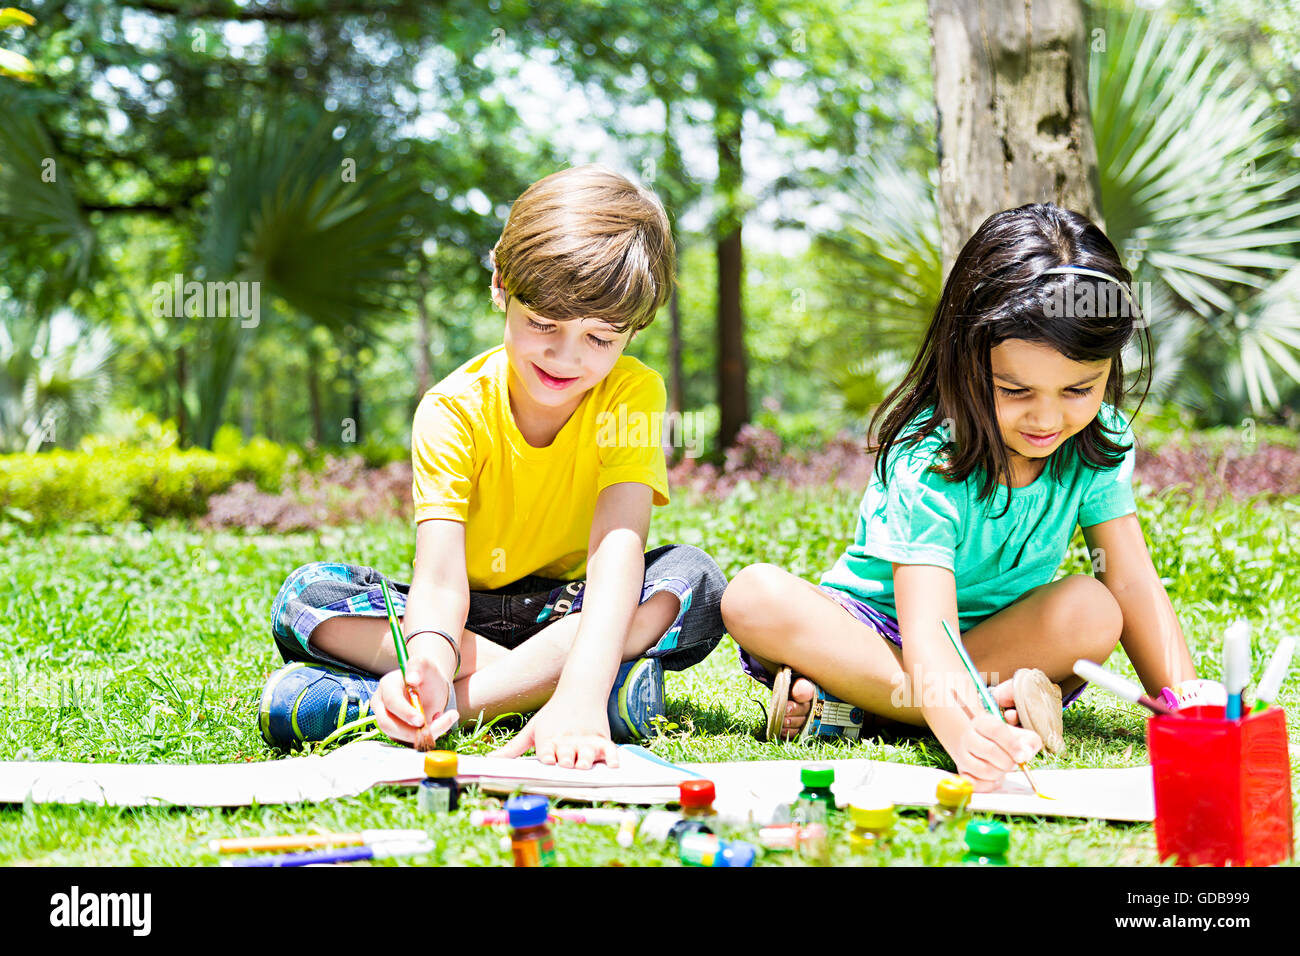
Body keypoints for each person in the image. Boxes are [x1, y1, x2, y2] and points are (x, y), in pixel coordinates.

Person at [259, 165, 727, 769]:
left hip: (571, 608)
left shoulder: (632, 394)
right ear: (502, 286)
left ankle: (450, 706)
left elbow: (618, 548)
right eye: (543, 324)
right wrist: (427, 656)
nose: (566, 356)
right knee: (307, 598)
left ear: (632, 331)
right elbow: (439, 582)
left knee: (693, 578)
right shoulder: (451, 410)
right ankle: (582, 693)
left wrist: (576, 693)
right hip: (467, 621)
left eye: (601, 338)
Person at [722, 202, 1202, 791]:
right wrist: (966, 731)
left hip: (1003, 638)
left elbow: (1130, 581)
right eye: (1015, 390)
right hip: (877, 630)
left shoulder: (1100, 438)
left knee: (1096, 607)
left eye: (1079, 388)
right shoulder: (931, 458)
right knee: (752, 596)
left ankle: (854, 705)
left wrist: (1190, 705)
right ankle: (979, 706)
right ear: (967, 359)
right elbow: (928, 629)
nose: (1047, 417)